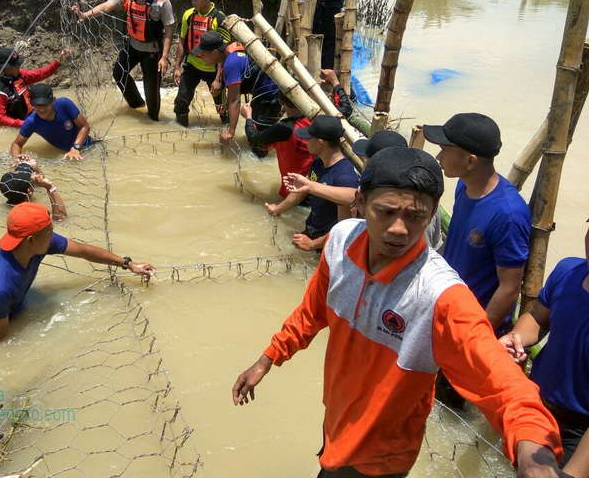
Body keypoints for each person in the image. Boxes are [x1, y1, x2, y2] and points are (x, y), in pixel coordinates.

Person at [231, 146, 564, 478]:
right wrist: (268, 358)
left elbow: (499, 378)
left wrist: (534, 450)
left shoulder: (439, 294)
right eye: (386, 212)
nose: (399, 229)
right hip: (337, 418)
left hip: (382, 453)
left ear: (431, 215)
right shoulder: (340, 241)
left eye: (415, 216)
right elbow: (312, 311)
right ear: (360, 201)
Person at [424, 112, 531, 410]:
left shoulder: (508, 214)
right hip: (447, 311)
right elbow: (455, 242)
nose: (439, 157)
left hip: (473, 323)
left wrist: (474, 336)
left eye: (445, 150)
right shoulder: (463, 186)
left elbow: (509, 287)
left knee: (452, 403)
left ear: (470, 161)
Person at [0, 202, 154, 340]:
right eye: (49, 232)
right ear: (30, 240)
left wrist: (129, 264)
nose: (53, 236)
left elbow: (84, 251)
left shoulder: (32, 244)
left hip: (11, 303)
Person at [500, 222, 589, 471]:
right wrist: (516, 337)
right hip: (535, 404)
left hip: (579, 431)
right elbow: (538, 318)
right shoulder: (568, 271)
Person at [287, 129, 444, 251]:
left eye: (366, 159)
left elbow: (350, 230)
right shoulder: (421, 198)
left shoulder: (412, 203)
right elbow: (347, 228)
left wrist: (313, 244)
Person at [71, 0, 174, 121]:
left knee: (151, 92)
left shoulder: (163, 2)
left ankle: (153, 118)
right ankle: (137, 104)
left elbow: (169, 30)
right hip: (132, 45)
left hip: (152, 52)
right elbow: (106, 6)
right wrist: (85, 15)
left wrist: (165, 57)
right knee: (118, 73)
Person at [265, 115, 359, 251]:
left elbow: (343, 229)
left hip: (328, 245)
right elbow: (302, 191)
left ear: (320, 143)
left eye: (309, 138)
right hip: (312, 232)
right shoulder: (318, 162)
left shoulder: (344, 177)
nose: (306, 141)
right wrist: (277, 209)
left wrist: (313, 244)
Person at [192, 31, 282, 146]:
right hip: (265, 90)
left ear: (215, 52)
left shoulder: (231, 64)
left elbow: (235, 100)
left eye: (203, 54)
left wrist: (231, 132)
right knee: (255, 133)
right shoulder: (230, 49)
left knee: (259, 144)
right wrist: (226, 104)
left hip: (270, 95)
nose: (200, 56)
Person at [173, 0, 230, 127]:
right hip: (192, 65)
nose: (193, 1)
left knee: (223, 108)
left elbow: (223, 51)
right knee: (181, 102)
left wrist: (218, 79)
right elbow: (182, 42)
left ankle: (228, 131)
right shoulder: (188, 15)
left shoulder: (220, 18)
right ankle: (182, 132)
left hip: (213, 69)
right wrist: (177, 67)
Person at [241, 93, 314, 199]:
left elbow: (254, 140)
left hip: (293, 193)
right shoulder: (316, 119)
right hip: (315, 187)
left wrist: (248, 117)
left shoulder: (284, 129)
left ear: (280, 101)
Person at [0, 46, 70, 128]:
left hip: (31, 114)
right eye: (16, 65)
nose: (19, 67)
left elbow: (39, 74)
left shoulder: (18, 74)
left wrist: (58, 63)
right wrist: (27, 124)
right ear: (6, 68)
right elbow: (1, 119)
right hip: (19, 123)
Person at [10, 84, 92, 162]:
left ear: (53, 100)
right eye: (38, 105)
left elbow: (85, 126)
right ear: (31, 104)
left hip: (88, 147)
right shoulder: (31, 122)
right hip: (63, 155)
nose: (42, 109)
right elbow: (16, 144)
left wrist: (75, 148)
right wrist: (17, 159)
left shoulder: (64, 104)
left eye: (45, 104)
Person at [0, 156, 67, 220]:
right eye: (33, 176)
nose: (35, 175)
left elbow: (40, 183)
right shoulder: (33, 213)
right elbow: (60, 218)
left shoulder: (9, 210)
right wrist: (50, 188)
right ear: (29, 192)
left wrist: (37, 169)